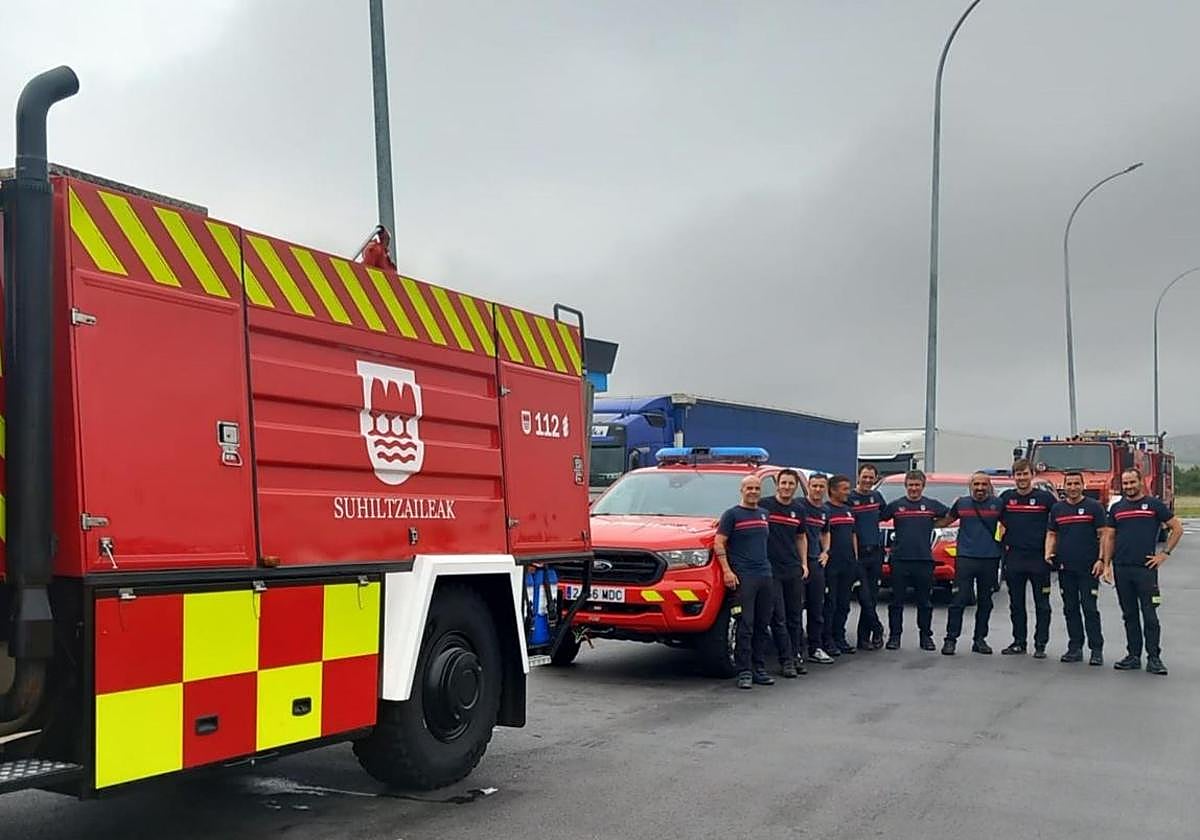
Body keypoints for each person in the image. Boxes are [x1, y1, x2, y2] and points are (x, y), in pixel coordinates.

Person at [1105, 467, 1183, 676]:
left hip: (1145, 570)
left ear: (1141, 482)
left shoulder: (1154, 505)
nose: (1129, 486)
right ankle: (1133, 656)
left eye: (1132, 482)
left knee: (1149, 615)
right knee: (1129, 615)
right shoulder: (1117, 508)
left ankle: (1154, 658)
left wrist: (1164, 554)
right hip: (1122, 568)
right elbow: (1110, 537)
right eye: (1125, 483)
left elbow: (1177, 528)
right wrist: (1106, 564)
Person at [714, 475, 776, 689]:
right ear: (741, 490)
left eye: (757, 488)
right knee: (745, 624)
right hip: (744, 577)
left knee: (762, 624)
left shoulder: (764, 514)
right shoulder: (732, 515)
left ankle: (759, 668)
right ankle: (744, 671)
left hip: (765, 575)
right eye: (749, 488)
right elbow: (719, 543)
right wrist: (727, 571)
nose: (753, 491)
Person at [1045, 471, 1110, 666]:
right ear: (1064, 487)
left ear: (1083, 486)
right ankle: (1075, 647)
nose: (1072, 488)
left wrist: (1102, 561)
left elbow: (1104, 535)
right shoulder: (1058, 509)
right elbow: (1052, 534)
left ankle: (1096, 650)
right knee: (1070, 608)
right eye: (1069, 484)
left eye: (1076, 484)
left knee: (1090, 608)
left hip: (1089, 568)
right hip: (1066, 568)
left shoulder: (1094, 507)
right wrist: (1048, 553)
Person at [880, 470, 948, 651]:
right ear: (906, 486)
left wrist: (936, 524)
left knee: (924, 602)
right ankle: (894, 637)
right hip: (900, 559)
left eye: (917, 485)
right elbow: (879, 518)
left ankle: (926, 637)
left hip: (923, 560)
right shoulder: (896, 506)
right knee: (896, 602)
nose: (913, 489)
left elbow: (950, 516)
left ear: (923, 486)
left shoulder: (932, 505)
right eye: (910, 485)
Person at [997, 459, 1058, 658]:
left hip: (1039, 559)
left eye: (1025, 474)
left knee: (1042, 604)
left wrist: (1054, 551)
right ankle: (1019, 642)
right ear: (1013, 477)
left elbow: (1058, 524)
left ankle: (1040, 645)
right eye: (1018, 474)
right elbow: (994, 519)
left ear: (1032, 475)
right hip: (1014, 558)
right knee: (1016, 604)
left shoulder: (1045, 499)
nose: (1022, 478)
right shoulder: (1006, 498)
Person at [939, 472, 1004, 655]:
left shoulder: (998, 505)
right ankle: (950, 640)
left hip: (990, 559)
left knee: (985, 602)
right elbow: (945, 521)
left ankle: (980, 640)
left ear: (989, 486)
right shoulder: (961, 503)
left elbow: (1010, 525)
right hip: (965, 558)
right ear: (971, 486)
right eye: (976, 484)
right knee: (958, 600)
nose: (980, 488)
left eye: (984, 484)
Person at [759, 468, 808, 676]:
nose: (787, 487)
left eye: (791, 484)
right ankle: (786, 660)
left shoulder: (799, 509)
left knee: (794, 616)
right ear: (777, 484)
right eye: (784, 483)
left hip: (792, 569)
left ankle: (796, 655)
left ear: (796, 486)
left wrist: (804, 563)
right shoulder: (765, 506)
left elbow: (801, 537)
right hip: (772, 570)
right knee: (778, 617)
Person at [850, 464, 887, 650]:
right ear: (858, 477)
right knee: (863, 596)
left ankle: (863, 638)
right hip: (858, 554)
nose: (867, 481)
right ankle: (877, 627)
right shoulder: (850, 498)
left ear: (875, 479)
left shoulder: (877, 497)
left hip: (876, 552)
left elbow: (886, 514)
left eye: (871, 478)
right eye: (864, 477)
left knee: (871, 597)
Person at [800, 474, 835, 664]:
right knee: (795, 609)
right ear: (808, 487)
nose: (817, 490)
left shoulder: (825, 510)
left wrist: (826, 552)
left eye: (821, 486)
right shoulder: (798, 506)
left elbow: (826, 532)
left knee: (816, 608)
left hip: (816, 563)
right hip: (797, 565)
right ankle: (796, 650)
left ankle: (815, 648)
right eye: (814, 486)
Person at [823, 475, 859, 656]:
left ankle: (840, 637)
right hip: (831, 565)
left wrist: (855, 558)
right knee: (831, 603)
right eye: (844, 489)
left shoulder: (848, 510)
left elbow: (853, 535)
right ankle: (827, 639)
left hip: (848, 564)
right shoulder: (825, 511)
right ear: (833, 490)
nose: (848, 492)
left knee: (844, 603)